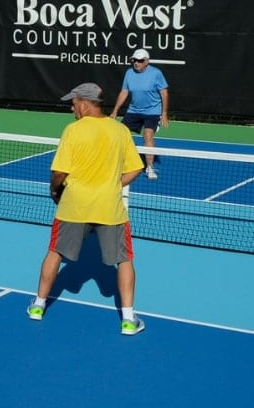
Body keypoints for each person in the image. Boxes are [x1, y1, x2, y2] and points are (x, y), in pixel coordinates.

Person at [28, 83, 146, 335]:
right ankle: (128, 320)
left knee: (54, 252)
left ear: (85, 103)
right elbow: (136, 168)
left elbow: (59, 172)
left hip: (73, 206)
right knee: (124, 259)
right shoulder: (120, 130)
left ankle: (38, 306)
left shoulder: (73, 130)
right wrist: (113, 184)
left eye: (73, 102)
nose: (72, 107)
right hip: (109, 207)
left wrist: (53, 191)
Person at [110, 49, 169, 180]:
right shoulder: (129, 73)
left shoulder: (156, 73)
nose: (136, 63)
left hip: (152, 111)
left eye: (140, 61)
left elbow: (164, 93)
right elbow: (124, 92)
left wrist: (164, 113)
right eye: (134, 60)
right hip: (133, 111)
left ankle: (149, 167)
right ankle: (119, 163)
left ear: (146, 62)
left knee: (147, 135)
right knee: (120, 133)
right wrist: (115, 111)